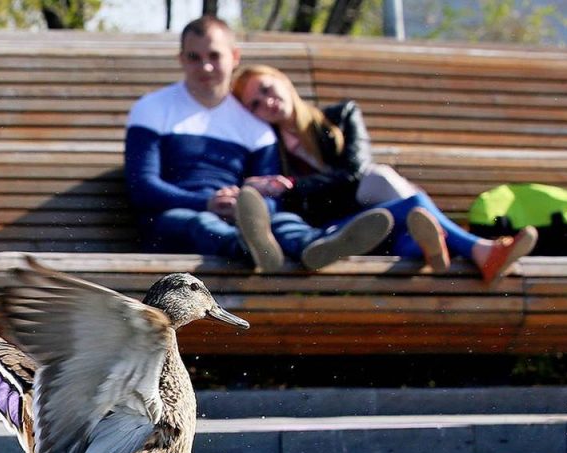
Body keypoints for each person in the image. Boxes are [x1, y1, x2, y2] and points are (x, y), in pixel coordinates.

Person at [124, 15, 394, 272]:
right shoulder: (152, 109)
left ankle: (316, 246)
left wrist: (245, 205)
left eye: (214, 56)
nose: (205, 67)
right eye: (194, 58)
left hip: (240, 215)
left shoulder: (256, 125)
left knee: (282, 220)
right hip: (171, 220)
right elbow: (142, 187)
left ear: (234, 57)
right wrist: (206, 203)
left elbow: (271, 198)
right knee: (201, 223)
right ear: (181, 60)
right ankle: (249, 248)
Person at [229, 63, 538, 283]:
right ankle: (476, 249)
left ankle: (435, 246)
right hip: (342, 229)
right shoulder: (270, 148)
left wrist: (294, 186)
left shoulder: (341, 116)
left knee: (383, 183)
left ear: (284, 81)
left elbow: (355, 171)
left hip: (375, 216)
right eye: (255, 104)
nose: (267, 103)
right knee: (409, 205)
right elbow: (295, 207)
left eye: (268, 90)